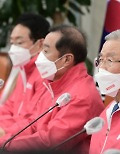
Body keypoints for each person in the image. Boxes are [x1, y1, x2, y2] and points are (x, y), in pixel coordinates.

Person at [0, 25, 104, 153]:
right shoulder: (54, 82)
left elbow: (50, 142)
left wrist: (6, 143)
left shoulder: (82, 96)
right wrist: (6, 136)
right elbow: (32, 123)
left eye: (46, 51)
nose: (40, 56)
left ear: (66, 59)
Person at [0, 13, 50, 136]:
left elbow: (33, 122)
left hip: (18, 140)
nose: (13, 49)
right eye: (12, 42)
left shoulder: (45, 75)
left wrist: (6, 133)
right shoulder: (23, 68)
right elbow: (8, 107)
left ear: (40, 44)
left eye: (19, 43)